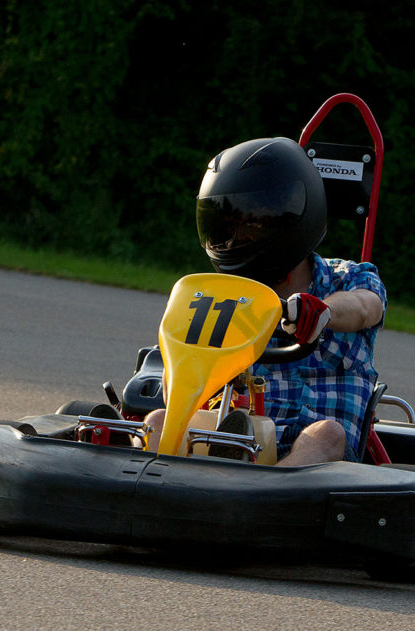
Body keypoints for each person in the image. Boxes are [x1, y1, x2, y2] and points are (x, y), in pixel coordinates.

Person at [148, 136, 386, 465]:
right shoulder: (223, 293)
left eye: (251, 227)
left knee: (326, 434)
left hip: (314, 457)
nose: (234, 240)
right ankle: (141, 485)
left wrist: (321, 311)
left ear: (292, 220)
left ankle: (257, 495)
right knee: (156, 421)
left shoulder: (348, 278)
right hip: (237, 434)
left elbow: (365, 307)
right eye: (225, 227)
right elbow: (175, 386)